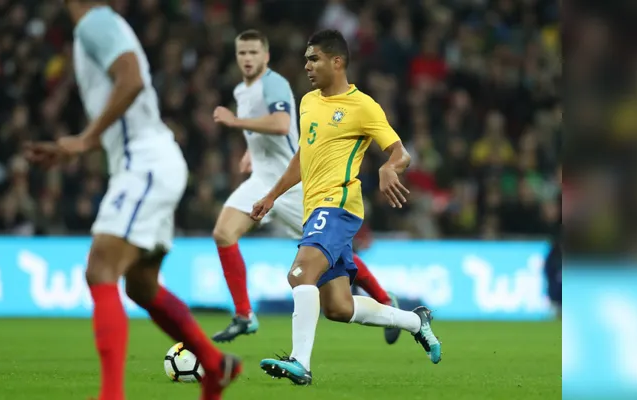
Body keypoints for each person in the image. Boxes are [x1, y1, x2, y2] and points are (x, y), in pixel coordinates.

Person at [26, 2, 241, 399]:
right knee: (141, 287)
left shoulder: (95, 23)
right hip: (148, 161)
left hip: (145, 163)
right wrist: (82, 145)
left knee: (101, 267)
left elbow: (131, 79)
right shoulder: (103, 26)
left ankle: (111, 395)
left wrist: (86, 140)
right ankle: (214, 364)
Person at [252, 30, 442, 386]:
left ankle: (300, 363)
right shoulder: (308, 102)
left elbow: (401, 153)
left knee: (299, 274)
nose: (307, 65)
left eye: (314, 59)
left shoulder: (363, 106)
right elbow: (303, 157)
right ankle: (416, 322)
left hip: (339, 205)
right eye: (307, 59)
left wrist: (388, 168)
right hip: (315, 209)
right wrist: (273, 194)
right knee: (338, 307)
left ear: (337, 62)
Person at [210, 30, 401, 345]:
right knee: (223, 233)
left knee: (328, 253)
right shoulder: (245, 91)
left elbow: (281, 125)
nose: (247, 59)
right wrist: (252, 151)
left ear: (266, 56)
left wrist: (235, 123)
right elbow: (285, 137)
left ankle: (383, 298)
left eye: (253, 53)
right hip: (265, 178)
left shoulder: (274, 85)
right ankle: (244, 315)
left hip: (299, 184)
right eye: (241, 53)